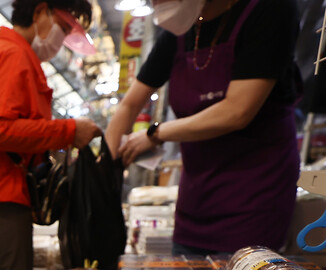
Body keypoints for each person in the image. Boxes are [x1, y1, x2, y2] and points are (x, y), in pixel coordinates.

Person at [107, 0, 301, 256]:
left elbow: (237, 112)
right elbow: (129, 106)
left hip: (254, 196)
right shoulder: (179, 34)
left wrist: (155, 133)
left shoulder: (269, 10)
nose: (156, 4)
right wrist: (106, 171)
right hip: (195, 200)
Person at [0, 0, 101, 270]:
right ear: (39, 12)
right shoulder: (14, 55)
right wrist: (71, 131)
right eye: (62, 28)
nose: (61, 40)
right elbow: (0, 130)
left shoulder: (5, 52)